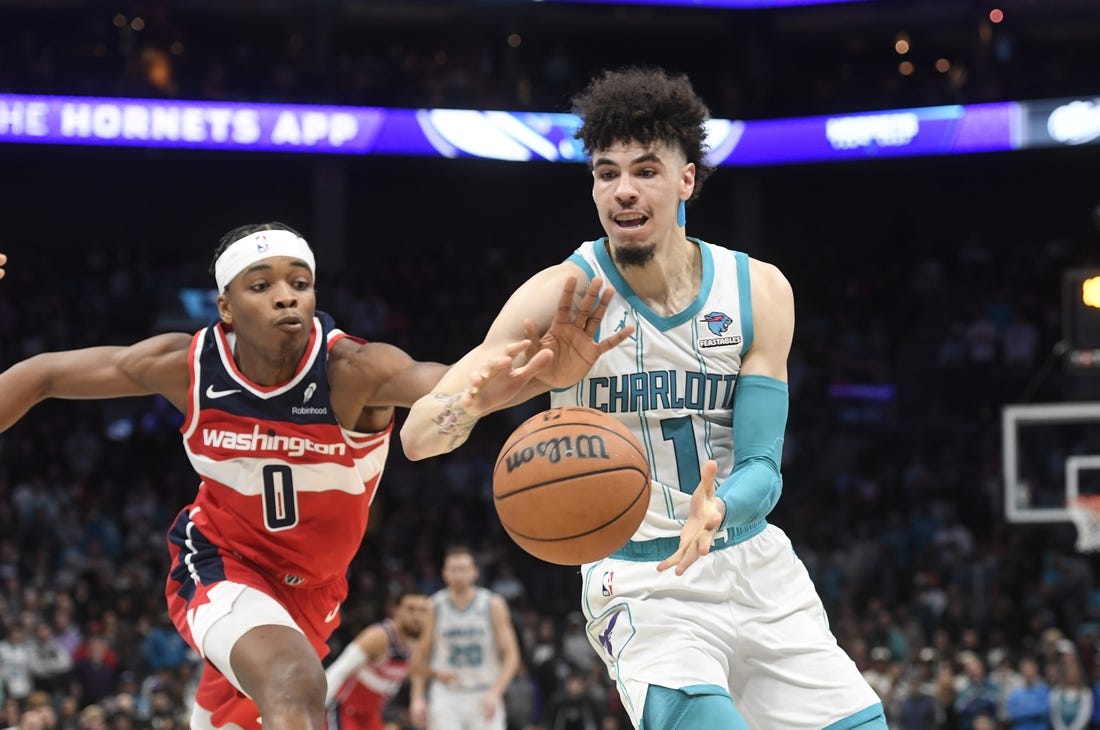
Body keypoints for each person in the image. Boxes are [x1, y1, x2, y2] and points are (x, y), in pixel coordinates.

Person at [400, 67, 887, 729]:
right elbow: (419, 436)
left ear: (686, 180)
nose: (623, 190)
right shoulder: (561, 296)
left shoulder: (758, 291)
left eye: (646, 170)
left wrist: (717, 510)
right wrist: (496, 395)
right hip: (640, 580)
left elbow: (762, 469)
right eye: (606, 172)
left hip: (754, 563)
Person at [0, 223, 564, 730]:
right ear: (225, 307)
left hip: (314, 591)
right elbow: (44, 374)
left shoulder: (353, 371)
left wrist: (512, 374)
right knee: (295, 684)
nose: (286, 295)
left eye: (299, 281)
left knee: (250, 709)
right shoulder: (187, 367)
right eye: (261, 285)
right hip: (220, 560)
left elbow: (440, 381)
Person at [408, 546, 521, 730]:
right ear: (444, 573)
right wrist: (417, 698)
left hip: (484, 692)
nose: (458, 575)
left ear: (474, 572)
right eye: (453, 569)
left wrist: (496, 692)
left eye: (463, 569)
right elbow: (420, 656)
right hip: (446, 695)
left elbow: (512, 656)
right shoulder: (433, 606)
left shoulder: (493, 604)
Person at [323, 590, 430, 730]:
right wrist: (315, 706)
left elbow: (417, 672)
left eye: (422, 610)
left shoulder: (414, 644)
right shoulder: (378, 637)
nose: (417, 616)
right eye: (411, 609)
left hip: (371, 715)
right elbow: (340, 669)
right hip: (344, 710)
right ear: (395, 610)